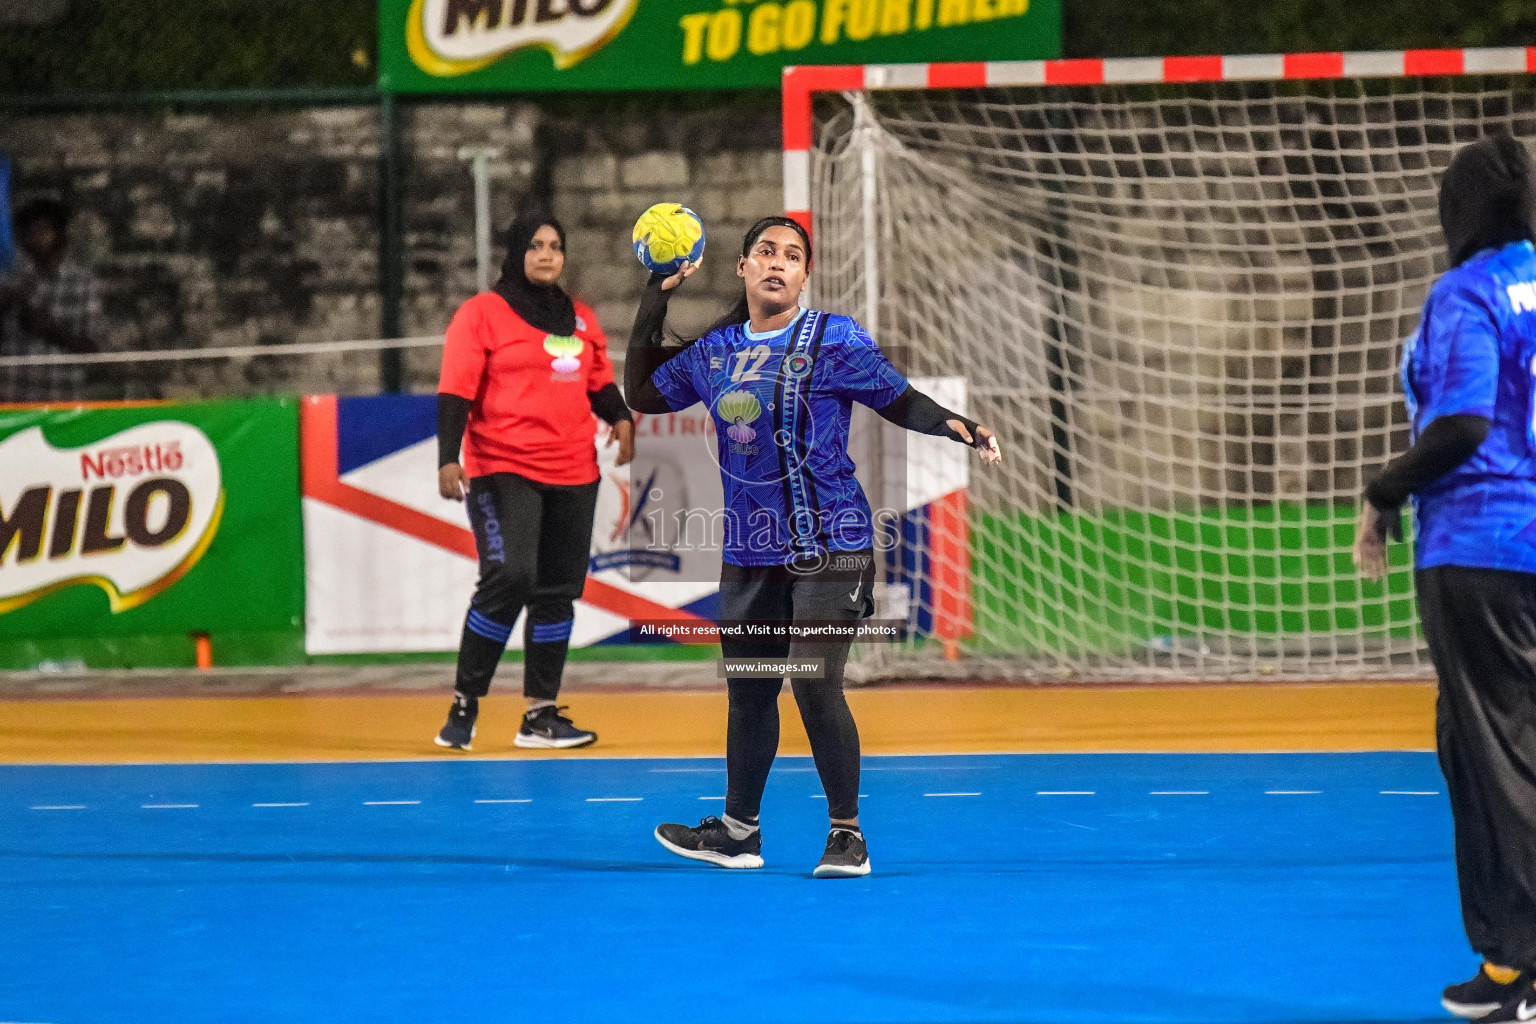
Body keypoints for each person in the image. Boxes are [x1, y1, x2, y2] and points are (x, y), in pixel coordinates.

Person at [626, 216, 1001, 878]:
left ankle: (847, 835)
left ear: (804, 276)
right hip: (750, 547)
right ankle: (739, 832)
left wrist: (959, 427)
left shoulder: (834, 339)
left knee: (812, 679)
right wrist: (656, 294)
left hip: (833, 540)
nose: (777, 262)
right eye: (765, 251)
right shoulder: (715, 354)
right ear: (742, 267)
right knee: (750, 691)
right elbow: (641, 392)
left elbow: (900, 399)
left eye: (792, 256)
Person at [1356, 134, 1536, 1024]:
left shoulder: (1467, 293)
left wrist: (1384, 488)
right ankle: (1505, 962)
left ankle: (1527, 969)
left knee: (1498, 757)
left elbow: (1463, 423)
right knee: (1480, 747)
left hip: (1481, 547)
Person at [433, 212, 634, 752]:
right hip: (503, 467)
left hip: (574, 472)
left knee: (557, 593)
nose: (547, 255)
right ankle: (465, 701)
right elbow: (455, 390)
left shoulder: (582, 319)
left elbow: (599, 383)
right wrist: (447, 459)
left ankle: (540, 715)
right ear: (517, 251)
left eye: (555, 246)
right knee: (510, 576)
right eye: (536, 246)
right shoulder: (481, 316)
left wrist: (621, 418)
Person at [0, 198, 101, 403]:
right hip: (12, 395)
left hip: (61, 399)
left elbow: (93, 352)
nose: (37, 237)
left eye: (45, 229)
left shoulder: (82, 283)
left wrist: (52, 330)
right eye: (31, 231)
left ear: (61, 234)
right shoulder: (8, 278)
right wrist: (8, 302)